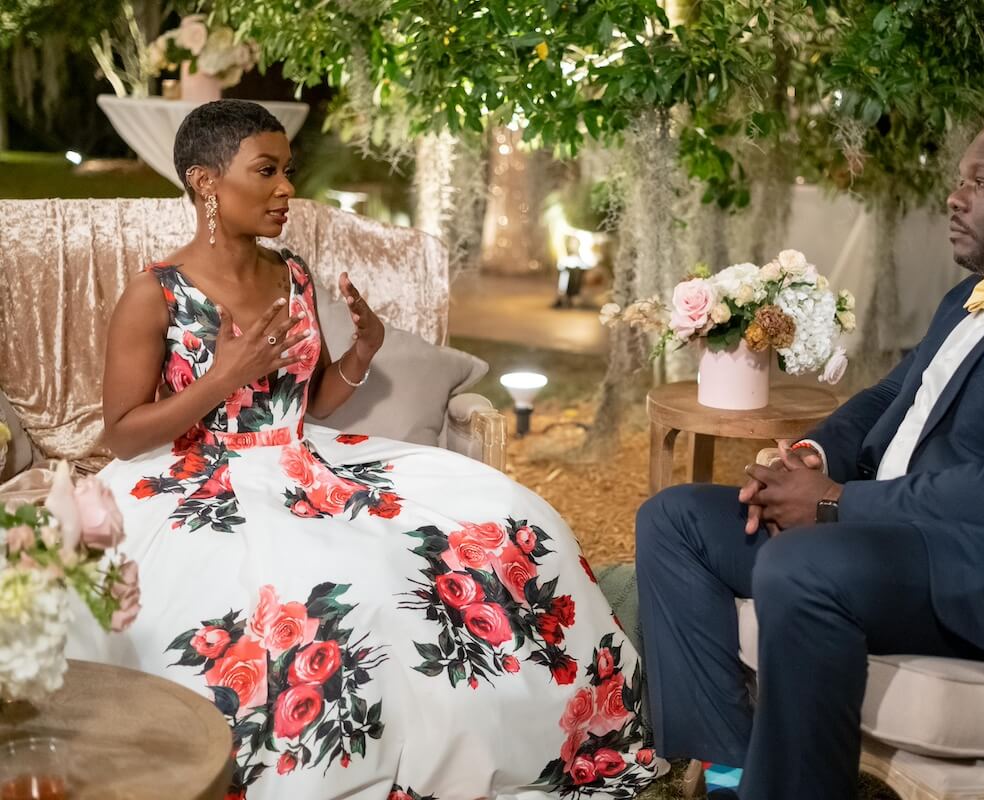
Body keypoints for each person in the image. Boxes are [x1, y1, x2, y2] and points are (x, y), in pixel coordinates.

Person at [75, 100, 664, 800]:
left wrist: (362, 354)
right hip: (200, 476)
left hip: (306, 457)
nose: (286, 188)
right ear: (205, 182)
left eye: (287, 170)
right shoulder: (155, 293)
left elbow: (314, 400)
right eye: (265, 171)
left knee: (504, 515)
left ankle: (554, 732)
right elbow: (122, 430)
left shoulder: (291, 275)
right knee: (323, 586)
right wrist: (225, 378)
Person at [635, 112, 984, 799]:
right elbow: (886, 399)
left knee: (804, 562)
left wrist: (832, 504)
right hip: (889, 535)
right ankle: (727, 772)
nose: (956, 197)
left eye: (982, 182)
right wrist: (807, 457)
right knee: (675, 518)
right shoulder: (967, 300)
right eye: (959, 181)